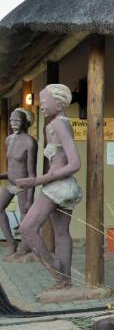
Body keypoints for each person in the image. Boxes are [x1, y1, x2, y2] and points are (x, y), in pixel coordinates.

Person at [15, 84, 83, 293]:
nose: (41, 106)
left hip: (56, 187)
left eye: (44, 102)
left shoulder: (60, 125)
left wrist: (37, 181)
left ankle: (57, 271)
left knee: (27, 228)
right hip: (58, 186)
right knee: (62, 233)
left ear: (59, 103)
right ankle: (64, 282)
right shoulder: (54, 124)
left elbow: (74, 163)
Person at [0, 108, 37, 257]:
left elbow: (32, 174)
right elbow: (12, 169)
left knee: (24, 215)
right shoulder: (9, 139)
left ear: (25, 123)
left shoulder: (30, 143)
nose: (13, 123)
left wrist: (29, 198)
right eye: (11, 120)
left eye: (17, 120)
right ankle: (11, 241)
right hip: (10, 183)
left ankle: (25, 246)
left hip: (24, 185)